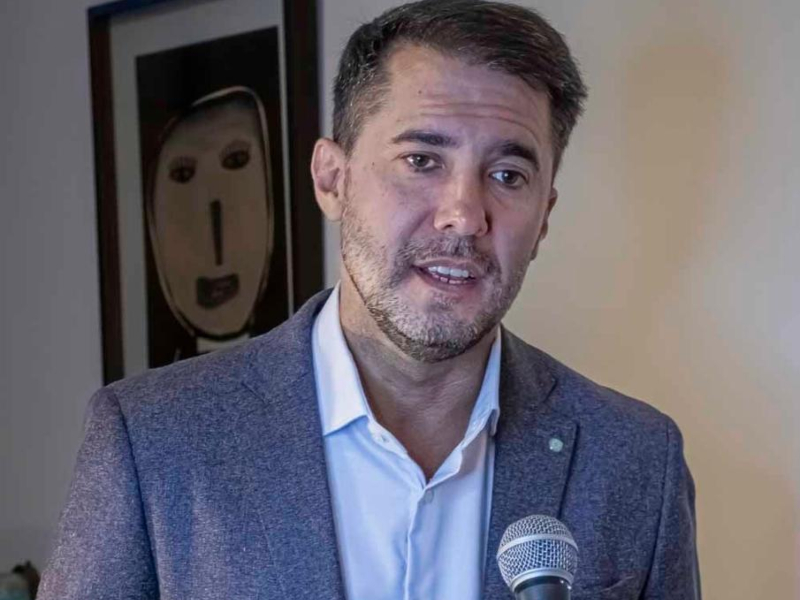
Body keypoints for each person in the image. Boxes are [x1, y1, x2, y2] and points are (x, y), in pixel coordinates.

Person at [39, 1, 700, 599]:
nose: (465, 215)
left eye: (507, 174)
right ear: (332, 179)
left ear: (544, 215)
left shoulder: (637, 459)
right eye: (422, 160)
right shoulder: (152, 439)